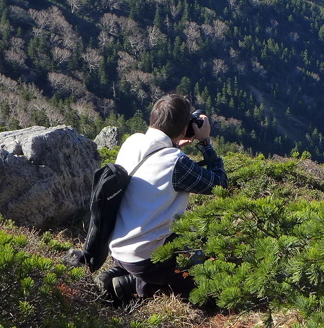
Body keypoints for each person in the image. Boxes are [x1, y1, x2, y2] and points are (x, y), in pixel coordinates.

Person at [95, 94, 226, 304]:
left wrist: (176, 143)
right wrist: (205, 142)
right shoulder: (176, 162)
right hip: (147, 258)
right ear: (184, 128)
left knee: (191, 245)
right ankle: (134, 285)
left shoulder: (133, 141)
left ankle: (128, 276)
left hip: (119, 249)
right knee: (211, 285)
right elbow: (220, 184)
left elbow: (155, 168)